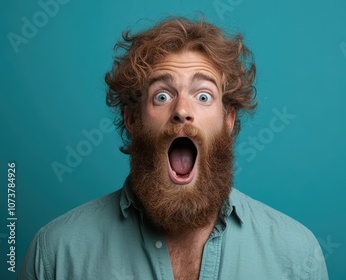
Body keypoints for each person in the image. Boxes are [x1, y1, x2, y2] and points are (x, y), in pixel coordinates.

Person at [18, 17, 328, 280]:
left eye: (203, 96)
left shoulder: (296, 255)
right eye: (162, 96)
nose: (182, 110)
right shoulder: (56, 253)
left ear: (228, 119)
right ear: (132, 119)